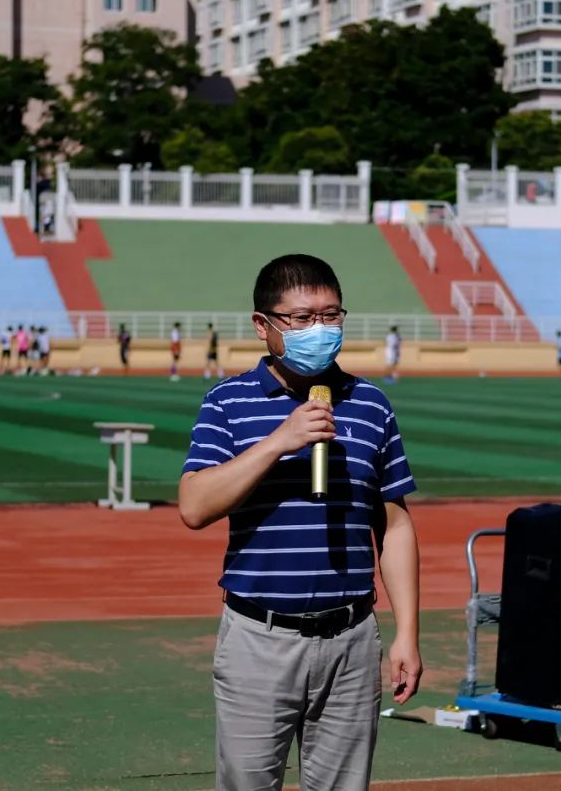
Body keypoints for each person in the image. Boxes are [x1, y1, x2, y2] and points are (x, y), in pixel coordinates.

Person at [178, 254, 422, 791]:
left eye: (331, 316)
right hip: (259, 638)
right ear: (263, 325)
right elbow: (194, 506)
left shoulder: (371, 404)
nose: (320, 329)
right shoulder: (228, 402)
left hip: (352, 638)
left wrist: (407, 632)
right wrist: (279, 442)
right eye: (302, 318)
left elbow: (395, 524)